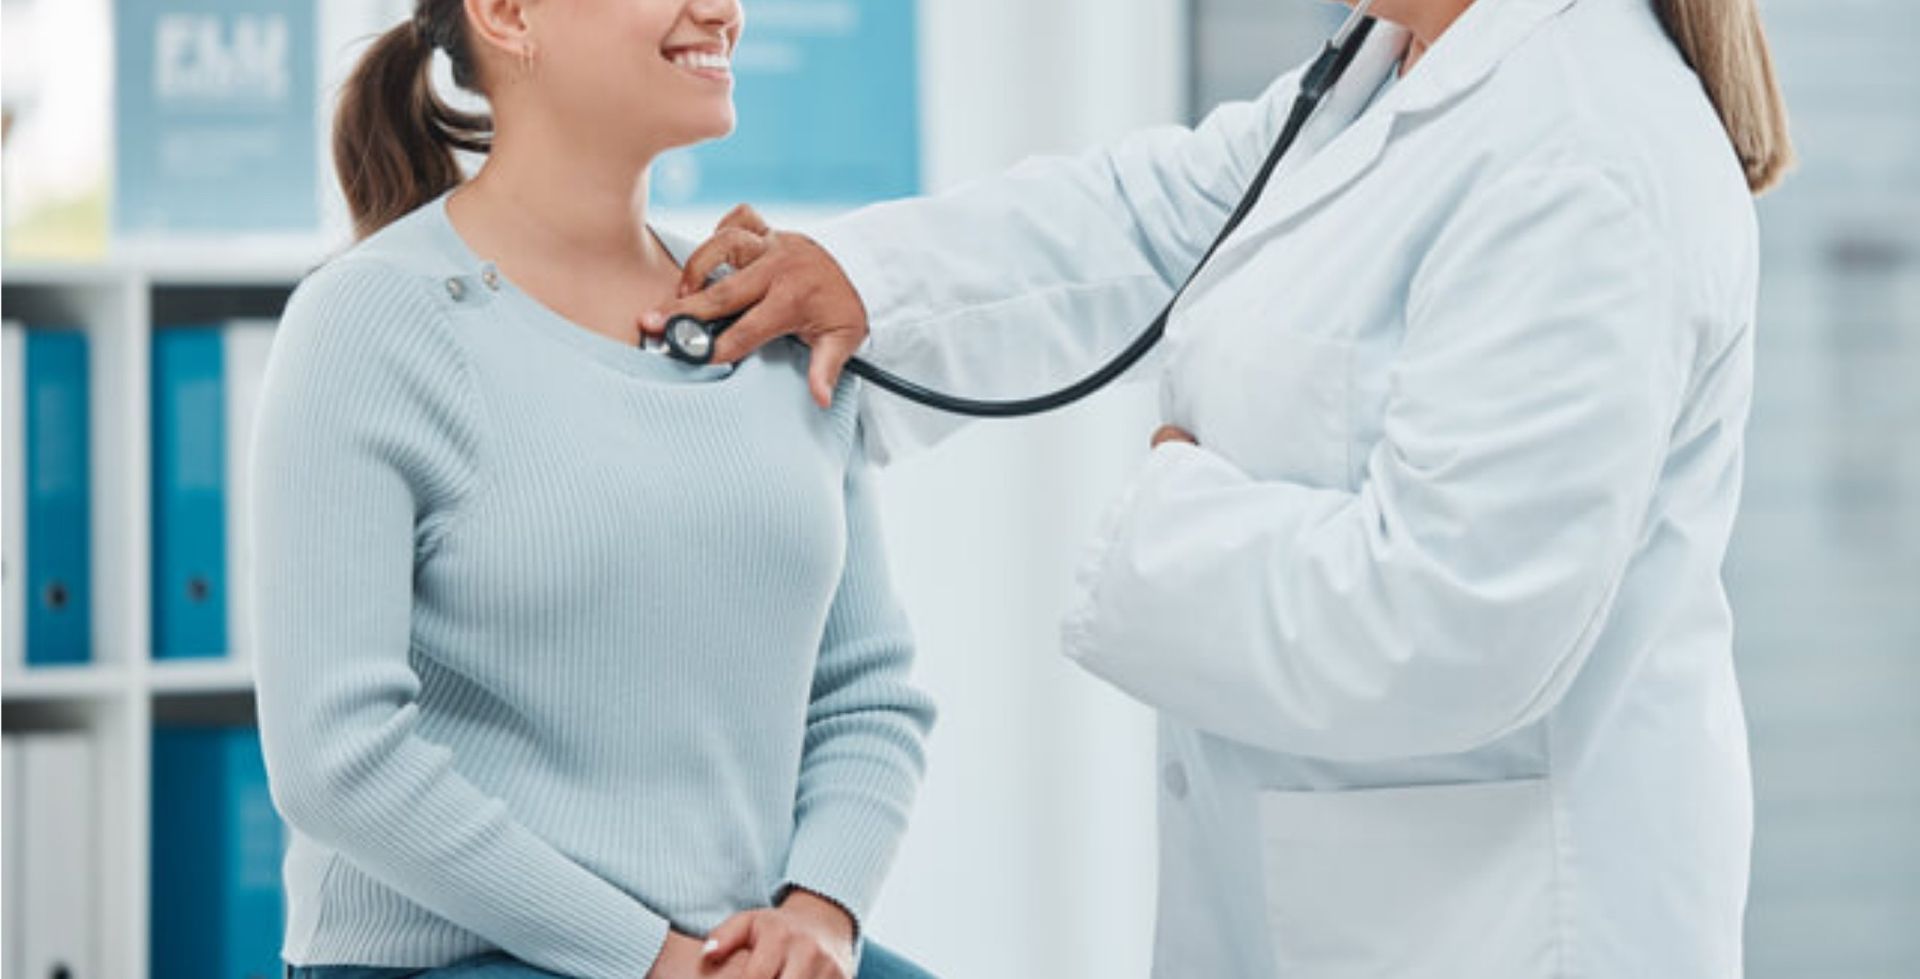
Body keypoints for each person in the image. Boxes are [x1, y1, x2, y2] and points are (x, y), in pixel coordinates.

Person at [646, 0, 1793, 975]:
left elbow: (1455, 621)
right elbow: (1161, 219)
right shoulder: (1390, 65)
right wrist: (863, 276)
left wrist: (1172, 512)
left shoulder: (1582, 152)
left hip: (1501, 924)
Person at [249, 1, 937, 978]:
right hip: (455, 960)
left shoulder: (766, 314)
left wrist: (820, 914)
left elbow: (868, 692)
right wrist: (656, 959)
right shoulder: (369, 321)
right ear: (507, 14)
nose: (724, 10)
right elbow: (339, 759)